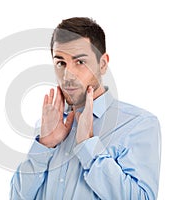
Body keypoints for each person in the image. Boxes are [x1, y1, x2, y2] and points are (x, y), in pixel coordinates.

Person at [10, 17, 161, 199]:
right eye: (61, 63)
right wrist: (45, 146)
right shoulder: (49, 127)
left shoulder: (138, 125)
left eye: (79, 62)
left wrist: (88, 147)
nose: (68, 75)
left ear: (103, 64)